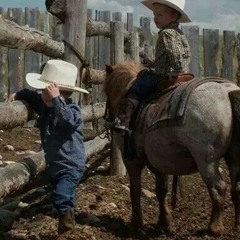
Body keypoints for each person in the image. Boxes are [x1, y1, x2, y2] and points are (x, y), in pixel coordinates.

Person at [9, 59, 89, 238]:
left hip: (71, 166)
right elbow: (32, 96)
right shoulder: (45, 105)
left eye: (44, 89)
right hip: (56, 165)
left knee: (61, 195)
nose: (40, 92)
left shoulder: (72, 109)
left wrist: (56, 101)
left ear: (56, 92)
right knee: (63, 195)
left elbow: (67, 121)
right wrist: (19, 94)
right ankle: (67, 220)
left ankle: (67, 231)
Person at [114, 0, 191, 134]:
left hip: (164, 74)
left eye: (160, 15)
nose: (155, 19)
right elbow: (184, 53)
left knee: (136, 87)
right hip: (182, 71)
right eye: (155, 15)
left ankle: (124, 121)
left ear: (173, 16)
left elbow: (174, 54)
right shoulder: (179, 33)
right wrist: (152, 63)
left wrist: (176, 68)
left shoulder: (166, 33)